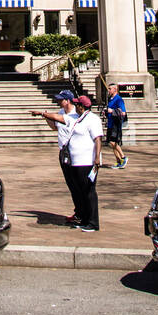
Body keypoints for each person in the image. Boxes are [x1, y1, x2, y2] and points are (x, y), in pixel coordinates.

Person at [31, 89, 80, 224]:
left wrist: (43, 113)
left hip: (74, 152)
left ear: (68, 100)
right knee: (70, 183)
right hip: (63, 152)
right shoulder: (61, 112)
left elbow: (62, 120)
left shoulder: (75, 114)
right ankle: (78, 211)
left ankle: (81, 212)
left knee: (77, 184)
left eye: (61, 99)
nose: (58, 101)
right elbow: (55, 127)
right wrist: (46, 117)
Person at [67, 95, 104, 232]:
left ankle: (93, 222)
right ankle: (85, 219)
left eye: (77, 105)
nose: (75, 106)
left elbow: (98, 139)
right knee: (81, 192)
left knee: (89, 192)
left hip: (87, 161)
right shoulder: (78, 119)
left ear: (82, 107)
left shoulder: (93, 119)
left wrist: (97, 158)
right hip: (77, 162)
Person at [104, 84, 129, 169]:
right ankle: (118, 161)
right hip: (110, 123)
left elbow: (123, 113)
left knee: (113, 142)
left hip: (115, 124)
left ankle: (123, 157)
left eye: (110, 89)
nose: (109, 90)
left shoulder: (119, 99)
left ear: (115, 89)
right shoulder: (110, 99)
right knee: (111, 143)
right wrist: (106, 112)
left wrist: (112, 111)